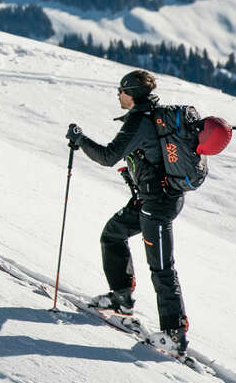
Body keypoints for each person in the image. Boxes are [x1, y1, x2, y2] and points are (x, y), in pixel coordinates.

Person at [65, 69, 189, 354]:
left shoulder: (140, 122)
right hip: (148, 199)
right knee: (113, 234)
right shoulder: (152, 115)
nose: (117, 95)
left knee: (161, 268)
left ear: (130, 93)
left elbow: (108, 157)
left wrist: (80, 139)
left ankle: (174, 334)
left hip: (158, 205)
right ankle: (121, 298)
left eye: (120, 90)